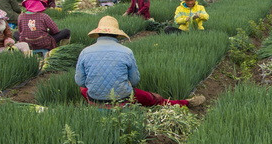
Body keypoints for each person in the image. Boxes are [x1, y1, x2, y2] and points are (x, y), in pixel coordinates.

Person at [75, 16, 205, 107]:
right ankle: (186, 103)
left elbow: (80, 82)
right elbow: (135, 80)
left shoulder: (85, 52)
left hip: (94, 99)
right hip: (123, 99)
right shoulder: (126, 51)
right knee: (154, 99)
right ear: (117, 35)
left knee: (82, 89)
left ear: (98, 34)